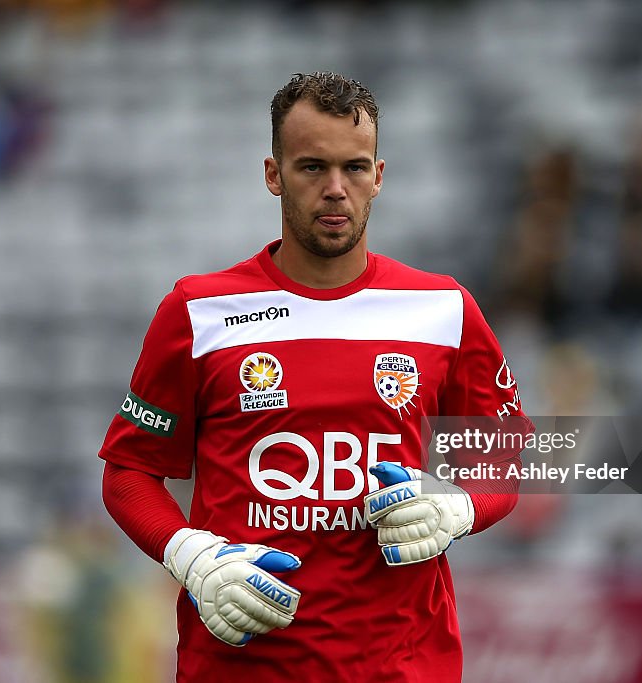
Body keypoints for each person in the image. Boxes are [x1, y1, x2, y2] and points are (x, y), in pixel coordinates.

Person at [99, 71, 532, 681]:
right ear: (274, 175)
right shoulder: (199, 311)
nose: (336, 189)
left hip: (403, 666)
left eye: (355, 168)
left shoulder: (443, 309)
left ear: (378, 177)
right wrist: (191, 556)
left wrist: (463, 505)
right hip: (241, 666)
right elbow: (129, 472)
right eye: (311, 168)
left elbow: (507, 455)